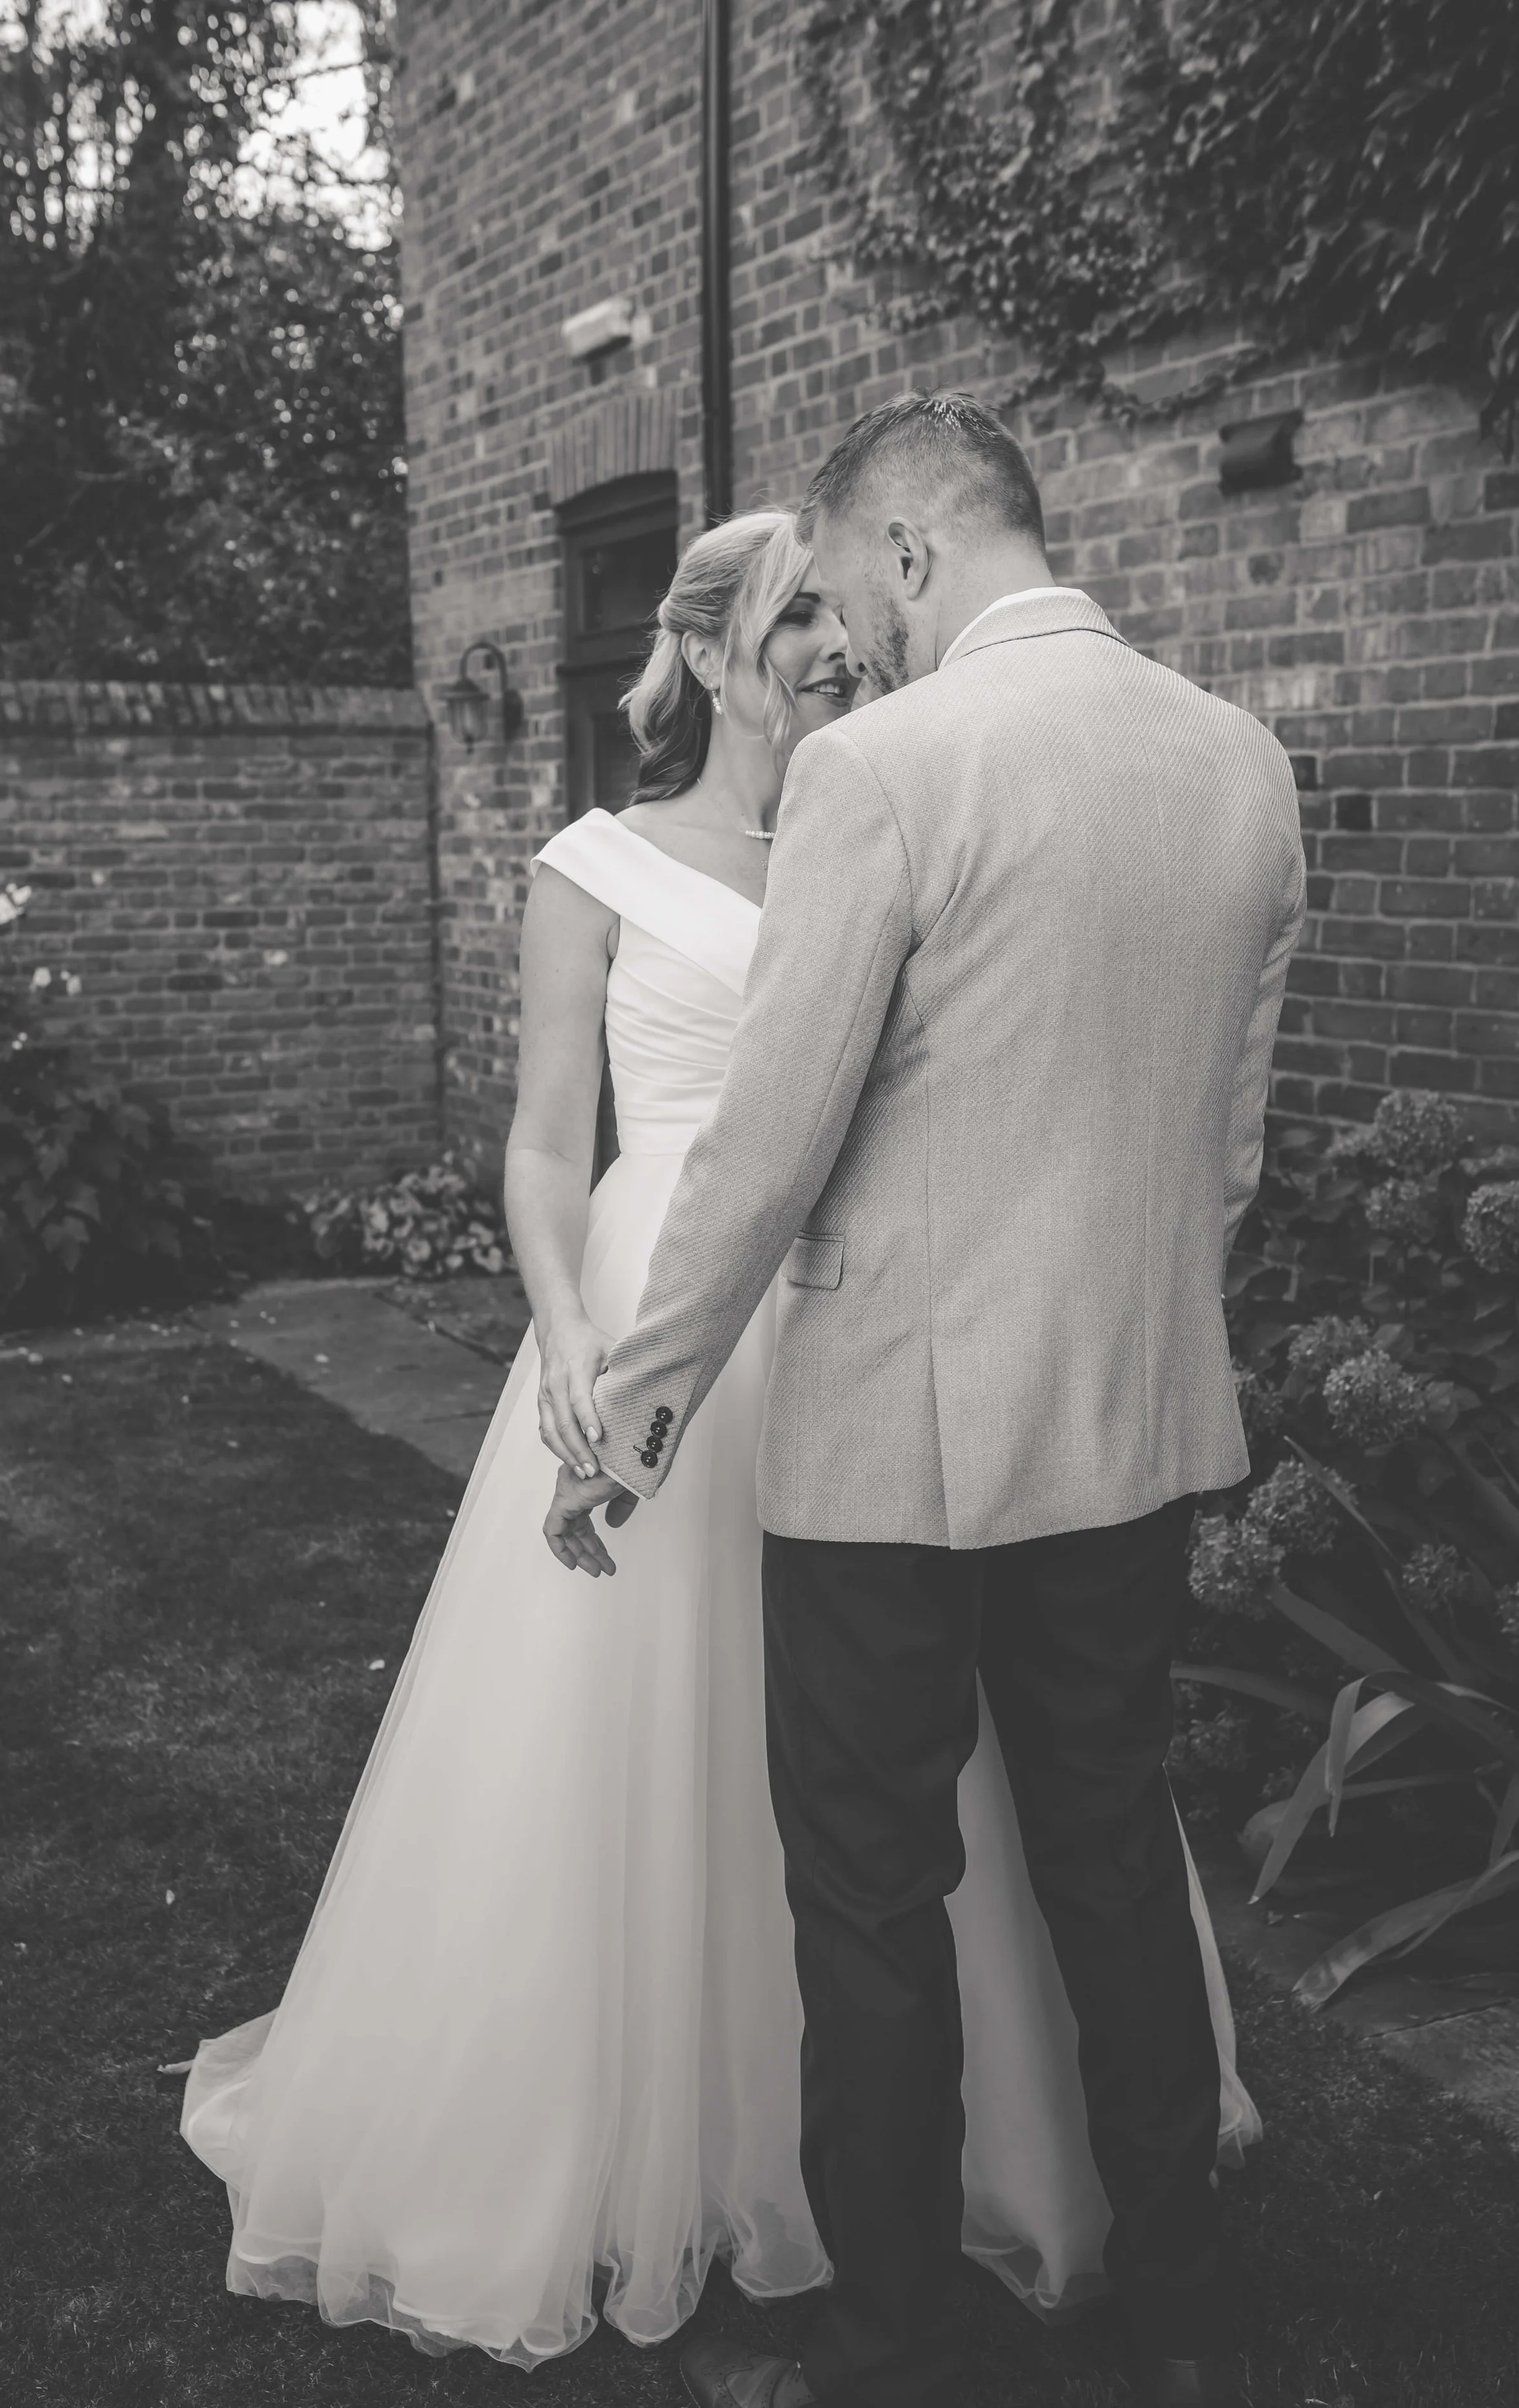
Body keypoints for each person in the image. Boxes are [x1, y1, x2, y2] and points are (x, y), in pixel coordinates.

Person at [180, 503, 1254, 2383]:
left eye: (840, 616)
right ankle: (680, 2165)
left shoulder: (911, 803)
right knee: (679, 1788)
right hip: (668, 1323)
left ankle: (925, 2219)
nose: (833, 648)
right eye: (794, 622)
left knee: (910, 1814)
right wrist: (578, 1334)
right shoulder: (592, 862)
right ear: (702, 643)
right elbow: (544, 1140)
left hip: (892, 1361)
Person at [544, 394, 1305, 2408]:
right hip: (1130, 1431)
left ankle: (887, 2347)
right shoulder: (1240, 763)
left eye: (856, 601)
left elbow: (766, 1148)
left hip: (889, 1447)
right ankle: (1185, 2314)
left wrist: (634, 1409)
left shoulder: (884, 767)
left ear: (900, 552)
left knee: (872, 1898)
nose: (851, 654)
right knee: (1114, 1867)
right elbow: (1226, 1151)